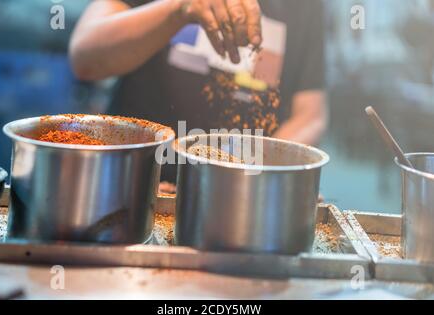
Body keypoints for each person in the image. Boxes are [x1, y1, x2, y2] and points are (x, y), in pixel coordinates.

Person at [70, 0, 327, 182]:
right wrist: (181, 7)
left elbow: (310, 114)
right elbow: (85, 56)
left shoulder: (305, 7)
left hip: (243, 201)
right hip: (140, 188)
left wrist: (258, 178)